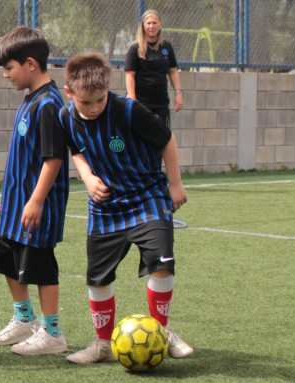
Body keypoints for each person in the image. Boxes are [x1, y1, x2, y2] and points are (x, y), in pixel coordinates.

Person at [56, 53, 194, 364]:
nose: (92, 109)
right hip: (106, 207)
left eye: (99, 101)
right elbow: (75, 148)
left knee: (161, 263)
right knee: (98, 277)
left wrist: (175, 184)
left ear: (109, 90)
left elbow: (166, 140)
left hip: (148, 198)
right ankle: (103, 345)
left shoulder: (129, 111)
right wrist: (89, 178)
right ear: (69, 93)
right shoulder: (65, 117)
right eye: (85, 103)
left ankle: (163, 331)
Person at [0, 27, 69, 355]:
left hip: (38, 206)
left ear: (31, 64)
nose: (6, 75)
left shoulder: (49, 104)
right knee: (8, 260)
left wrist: (36, 200)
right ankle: (24, 319)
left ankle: (52, 333)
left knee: (41, 265)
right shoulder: (30, 99)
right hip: (15, 206)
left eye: (9, 68)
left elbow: (53, 160)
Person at [125, 9, 183, 128]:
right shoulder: (135, 48)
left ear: (160, 25)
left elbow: (173, 71)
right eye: (148, 23)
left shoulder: (167, 46)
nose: (151, 26)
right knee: (141, 139)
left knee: (160, 139)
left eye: (154, 23)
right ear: (143, 26)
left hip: (161, 102)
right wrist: (132, 98)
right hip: (141, 103)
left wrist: (178, 93)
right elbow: (130, 75)